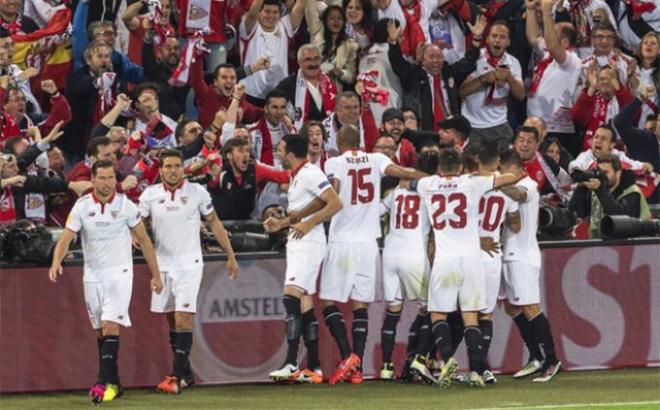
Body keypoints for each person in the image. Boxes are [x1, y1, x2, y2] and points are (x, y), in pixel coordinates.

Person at [400, 148, 520, 387]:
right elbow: (511, 178)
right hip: (472, 258)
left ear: (440, 168)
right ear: (461, 168)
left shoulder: (428, 184)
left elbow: (407, 182)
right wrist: (496, 176)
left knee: (437, 313)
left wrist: (412, 178)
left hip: (446, 258)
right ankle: (476, 371)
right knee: (471, 316)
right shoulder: (471, 183)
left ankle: (447, 359)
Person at [48, 160, 164, 404]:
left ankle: (101, 382)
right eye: (101, 177)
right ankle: (116, 382)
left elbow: (143, 240)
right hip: (92, 276)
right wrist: (56, 262)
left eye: (110, 177)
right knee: (101, 332)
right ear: (93, 179)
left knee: (111, 327)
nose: (107, 182)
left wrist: (156, 274)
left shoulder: (126, 206)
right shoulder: (81, 207)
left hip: (120, 274)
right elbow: (67, 237)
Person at [321, 125, 426, 385]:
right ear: (361, 141)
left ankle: (348, 357)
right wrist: (432, 177)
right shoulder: (377, 159)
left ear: (338, 140)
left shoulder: (333, 161)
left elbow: (333, 188)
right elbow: (403, 172)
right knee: (360, 306)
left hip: (342, 240)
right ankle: (355, 369)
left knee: (328, 302)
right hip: (369, 242)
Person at [139, 149, 239, 394]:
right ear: (161, 170)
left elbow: (213, 221)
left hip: (190, 264)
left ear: (183, 168)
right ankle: (185, 373)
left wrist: (230, 254)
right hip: (162, 264)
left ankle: (175, 377)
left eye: (177, 166)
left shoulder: (197, 192)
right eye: (168, 167)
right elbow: (137, 225)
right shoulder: (150, 195)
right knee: (171, 318)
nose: (173, 171)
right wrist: (135, 238)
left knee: (184, 317)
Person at [265, 134, 342, 383]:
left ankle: (290, 363)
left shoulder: (310, 172)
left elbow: (335, 202)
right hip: (299, 241)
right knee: (304, 304)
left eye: (280, 149)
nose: (277, 153)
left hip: (309, 243)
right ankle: (315, 368)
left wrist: (308, 224)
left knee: (290, 298)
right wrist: (282, 223)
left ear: (290, 154)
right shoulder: (297, 175)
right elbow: (315, 204)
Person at [499, 150, 562, 382]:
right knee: (512, 307)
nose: (500, 176)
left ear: (513, 170)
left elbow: (518, 195)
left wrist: (493, 182)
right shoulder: (511, 183)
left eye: (502, 172)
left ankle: (552, 359)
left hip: (523, 255)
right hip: (508, 252)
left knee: (530, 307)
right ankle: (536, 356)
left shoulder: (529, 185)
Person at [379, 151, 438, 381]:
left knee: (393, 311)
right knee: (431, 309)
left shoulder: (396, 192)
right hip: (414, 254)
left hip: (390, 253)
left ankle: (386, 367)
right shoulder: (430, 191)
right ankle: (420, 359)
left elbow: (378, 211)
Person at [387, 17, 485, 132]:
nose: (435, 60)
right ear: (422, 60)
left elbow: (468, 62)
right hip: (424, 132)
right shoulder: (413, 74)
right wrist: (393, 44)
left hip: (451, 133)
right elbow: (398, 63)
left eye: (439, 57)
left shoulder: (449, 72)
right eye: (431, 57)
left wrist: (476, 39)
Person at [474, 143, 520, 384]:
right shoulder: (506, 187)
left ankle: (471, 365)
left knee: (464, 313)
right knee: (486, 314)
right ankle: (484, 368)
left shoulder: (468, 182)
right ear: (496, 162)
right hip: (493, 253)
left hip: (469, 252)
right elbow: (515, 224)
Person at [525, 0, 582, 157]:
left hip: (557, 130)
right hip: (534, 124)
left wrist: (547, 13)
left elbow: (551, 45)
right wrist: (530, 9)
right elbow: (533, 37)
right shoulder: (547, 56)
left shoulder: (572, 61)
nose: (547, 36)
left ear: (563, 42)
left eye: (552, 33)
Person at [459, 20, 525, 150]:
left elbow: (520, 96)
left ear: (508, 42)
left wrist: (509, 78)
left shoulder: (513, 63)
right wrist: (482, 80)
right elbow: (462, 91)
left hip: (499, 125)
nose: (497, 41)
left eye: (502, 37)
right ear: (487, 39)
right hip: (472, 126)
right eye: (494, 36)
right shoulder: (476, 58)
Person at [240, 0, 307, 105]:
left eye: (275, 12)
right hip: (250, 92)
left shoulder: (285, 26)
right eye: (267, 11)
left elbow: (301, 5)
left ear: (280, 14)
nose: (271, 16)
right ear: (259, 12)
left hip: (278, 96)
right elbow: (252, 15)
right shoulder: (251, 27)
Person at [569, 154, 652, 238]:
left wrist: (600, 190)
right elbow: (575, 213)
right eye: (599, 171)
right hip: (600, 247)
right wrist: (580, 189)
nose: (601, 176)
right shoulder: (596, 192)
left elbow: (620, 217)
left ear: (618, 173)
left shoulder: (632, 192)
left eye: (605, 172)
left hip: (635, 247)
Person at [208, 138, 289, 220]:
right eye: (240, 151)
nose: (246, 154)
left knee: (276, 184)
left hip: (246, 222)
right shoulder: (219, 171)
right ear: (229, 156)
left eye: (247, 151)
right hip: (220, 223)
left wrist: (300, 173)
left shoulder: (254, 170)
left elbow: (282, 176)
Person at [614, 85, 660, 203]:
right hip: (638, 206)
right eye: (659, 120)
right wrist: (640, 99)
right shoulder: (643, 139)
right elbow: (620, 122)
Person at [571, 65, 634, 151]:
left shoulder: (624, 97)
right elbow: (577, 118)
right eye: (602, 79)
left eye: (610, 79)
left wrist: (619, 90)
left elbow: (633, 115)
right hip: (591, 152)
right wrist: (592, 88)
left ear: (616, 81)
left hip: (618, 152)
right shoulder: (590, 97)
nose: (605, 82)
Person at [276, 44, 337, 130]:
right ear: (299, 62)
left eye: (316, 59)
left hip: (327, 135)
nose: (313, 63)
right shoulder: (287, 85)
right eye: (308, 59)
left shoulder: (329, 83)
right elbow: (273, 105)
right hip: (300, 136)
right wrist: (284, 117)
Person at [307, 5, 359, 91]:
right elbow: (310, 9)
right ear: (325, 21)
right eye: (332, 18)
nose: (336, 21)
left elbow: (351, 77)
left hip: (334, 94)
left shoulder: (350, 45)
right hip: (313, 89)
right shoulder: (316, 34)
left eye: (339, 18)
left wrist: (340, 73)